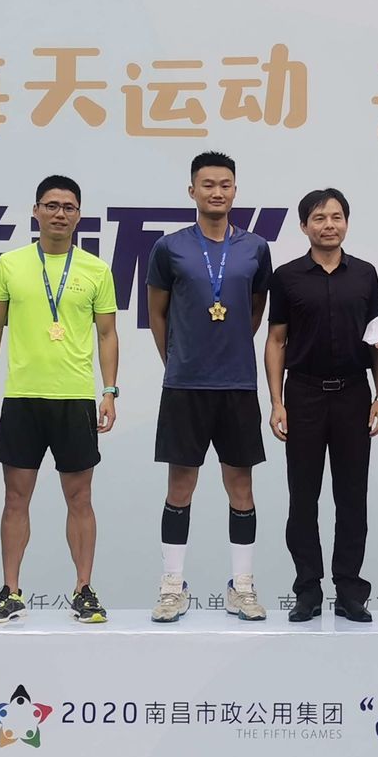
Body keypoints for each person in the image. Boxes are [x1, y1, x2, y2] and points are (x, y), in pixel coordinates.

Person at [0, 175, 118, 624]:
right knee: (16, 498)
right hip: (23, 398)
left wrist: (109, 391)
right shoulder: (10, 264)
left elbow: (107, 334)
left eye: (68, 207)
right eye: (51, 205)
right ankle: (10, 591)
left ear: (79, 215)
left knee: (80, 498)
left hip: (75, 399)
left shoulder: (96, 270)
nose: (59, 214)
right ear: (35, 211)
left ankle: (84, 589)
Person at [147, 151, 271, 623]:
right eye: (207, 184)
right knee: (180, 485)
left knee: (241, 486)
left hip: (237, 383)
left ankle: (242, 586)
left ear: (235, 190)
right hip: (185, 384)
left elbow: (255, 308)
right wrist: (177, 360)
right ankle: (171, 586)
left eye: (224, 184)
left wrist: (229, 345)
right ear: (192, 191)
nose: (216, 192)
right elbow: (157, 313)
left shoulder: (255, 247)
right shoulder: (169, 248)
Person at [265, 188, 378, 623]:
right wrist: (276, 401)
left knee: (352, 496)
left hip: (354, 394)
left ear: (347, 223)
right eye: (319, 218)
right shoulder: (286, 277)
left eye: (336, 217)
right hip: (303, 395)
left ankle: (350, 591)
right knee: (303, 497)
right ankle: (308, 590)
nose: (328, 225)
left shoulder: (365, 275)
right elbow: (276, 340)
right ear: (304, 226)